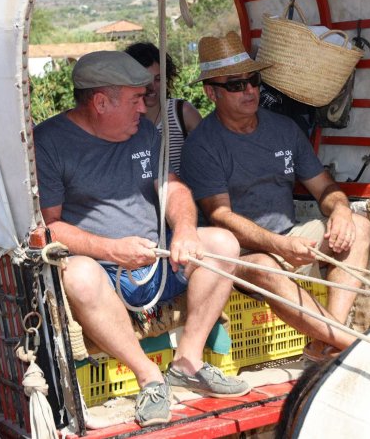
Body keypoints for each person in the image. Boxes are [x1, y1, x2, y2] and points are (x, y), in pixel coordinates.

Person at [34, 51, 250, 427]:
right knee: (78, 275)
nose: (145, 104)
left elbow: (173, 187)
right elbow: (49, 226)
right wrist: (111, 250)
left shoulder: (145, 132)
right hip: (104, 271)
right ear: (101, 102)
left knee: (223, 244)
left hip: (159, 263)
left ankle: (188, 360)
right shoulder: (49, 142)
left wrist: (183, 229)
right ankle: (149, 377)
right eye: (136, 97)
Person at [180, 32, 370, 363]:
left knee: (360, 226)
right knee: (268, 266)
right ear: (211, 92)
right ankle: (350, 343)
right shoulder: (203, 144)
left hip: (289, 238)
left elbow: (324, 188)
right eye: (236, 85)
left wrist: (340, 209)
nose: (250, 90)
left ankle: (328, 343)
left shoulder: (283, 128)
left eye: (253, 80)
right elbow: (221, 216)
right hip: (240, 255)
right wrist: (278, 246)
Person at [125, 42, 202, 175]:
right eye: (144, 80)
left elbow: (209, 158)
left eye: (158, 79)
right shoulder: (121, 120)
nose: (151, 87)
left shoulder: (182, 113)